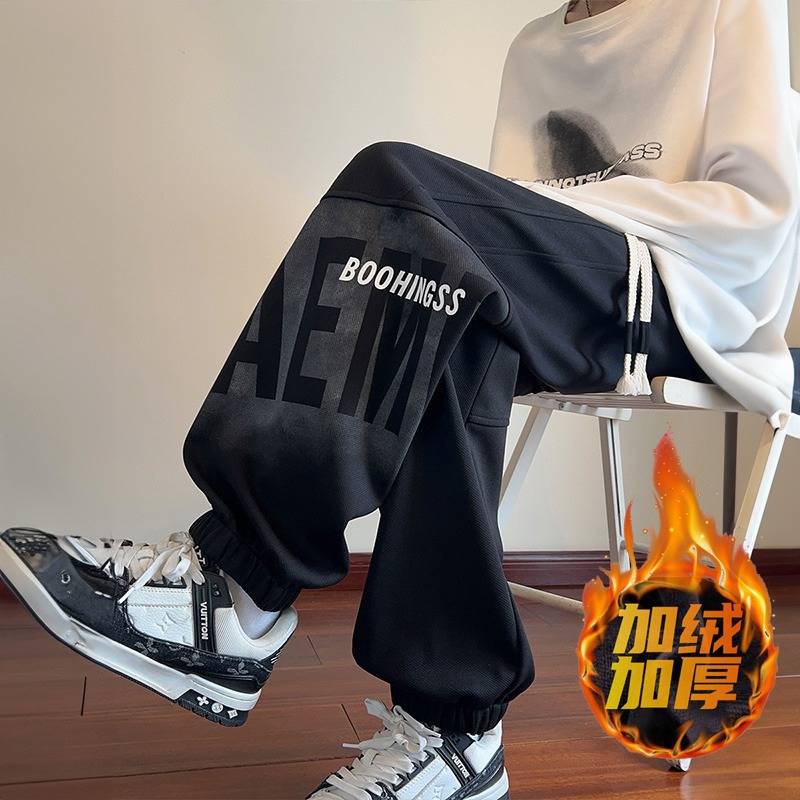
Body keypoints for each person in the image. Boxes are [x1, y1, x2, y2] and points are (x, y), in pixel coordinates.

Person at [1, 1, 798, 798]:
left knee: (398, 189)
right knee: (444, 304)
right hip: (555, 292)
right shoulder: (535, 48)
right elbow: (501, 218)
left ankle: (240, 580)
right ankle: (456, 736)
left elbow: (757, 224)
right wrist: (513, 226)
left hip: (678, 299)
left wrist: (553, 217)